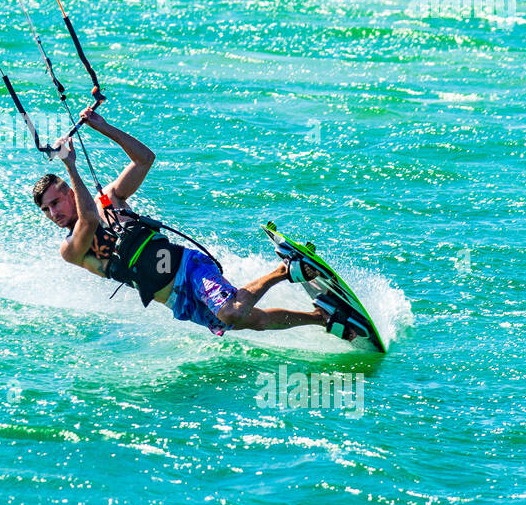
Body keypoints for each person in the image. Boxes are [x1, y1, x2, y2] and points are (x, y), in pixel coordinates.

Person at [33, 107, 354, 338]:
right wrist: (70, 164)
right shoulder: (71, 250)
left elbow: (144, 159)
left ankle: (287, 270)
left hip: (188, 268)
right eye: (46, 210)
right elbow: (87, 221)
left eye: (55, 202)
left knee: (230, 311)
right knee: (249, 321)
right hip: (176, 300)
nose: (53, 213)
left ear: (68, 192)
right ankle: (321, 318)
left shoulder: (110, 199)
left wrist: (103, 128)